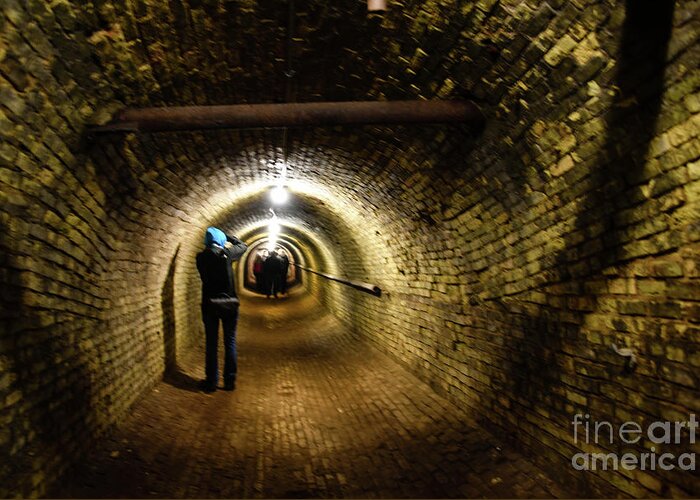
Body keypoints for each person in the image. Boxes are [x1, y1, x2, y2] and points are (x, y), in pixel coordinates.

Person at [196, 226, 248, 392]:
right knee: (230, 342)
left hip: (209, 304)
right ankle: (229, 381)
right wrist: (229, 237)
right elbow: (243, 245)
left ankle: (211, 382)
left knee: (211, 344)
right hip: (229, 304)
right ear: (220, 240)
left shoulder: (200, 258)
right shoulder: (227, 255)